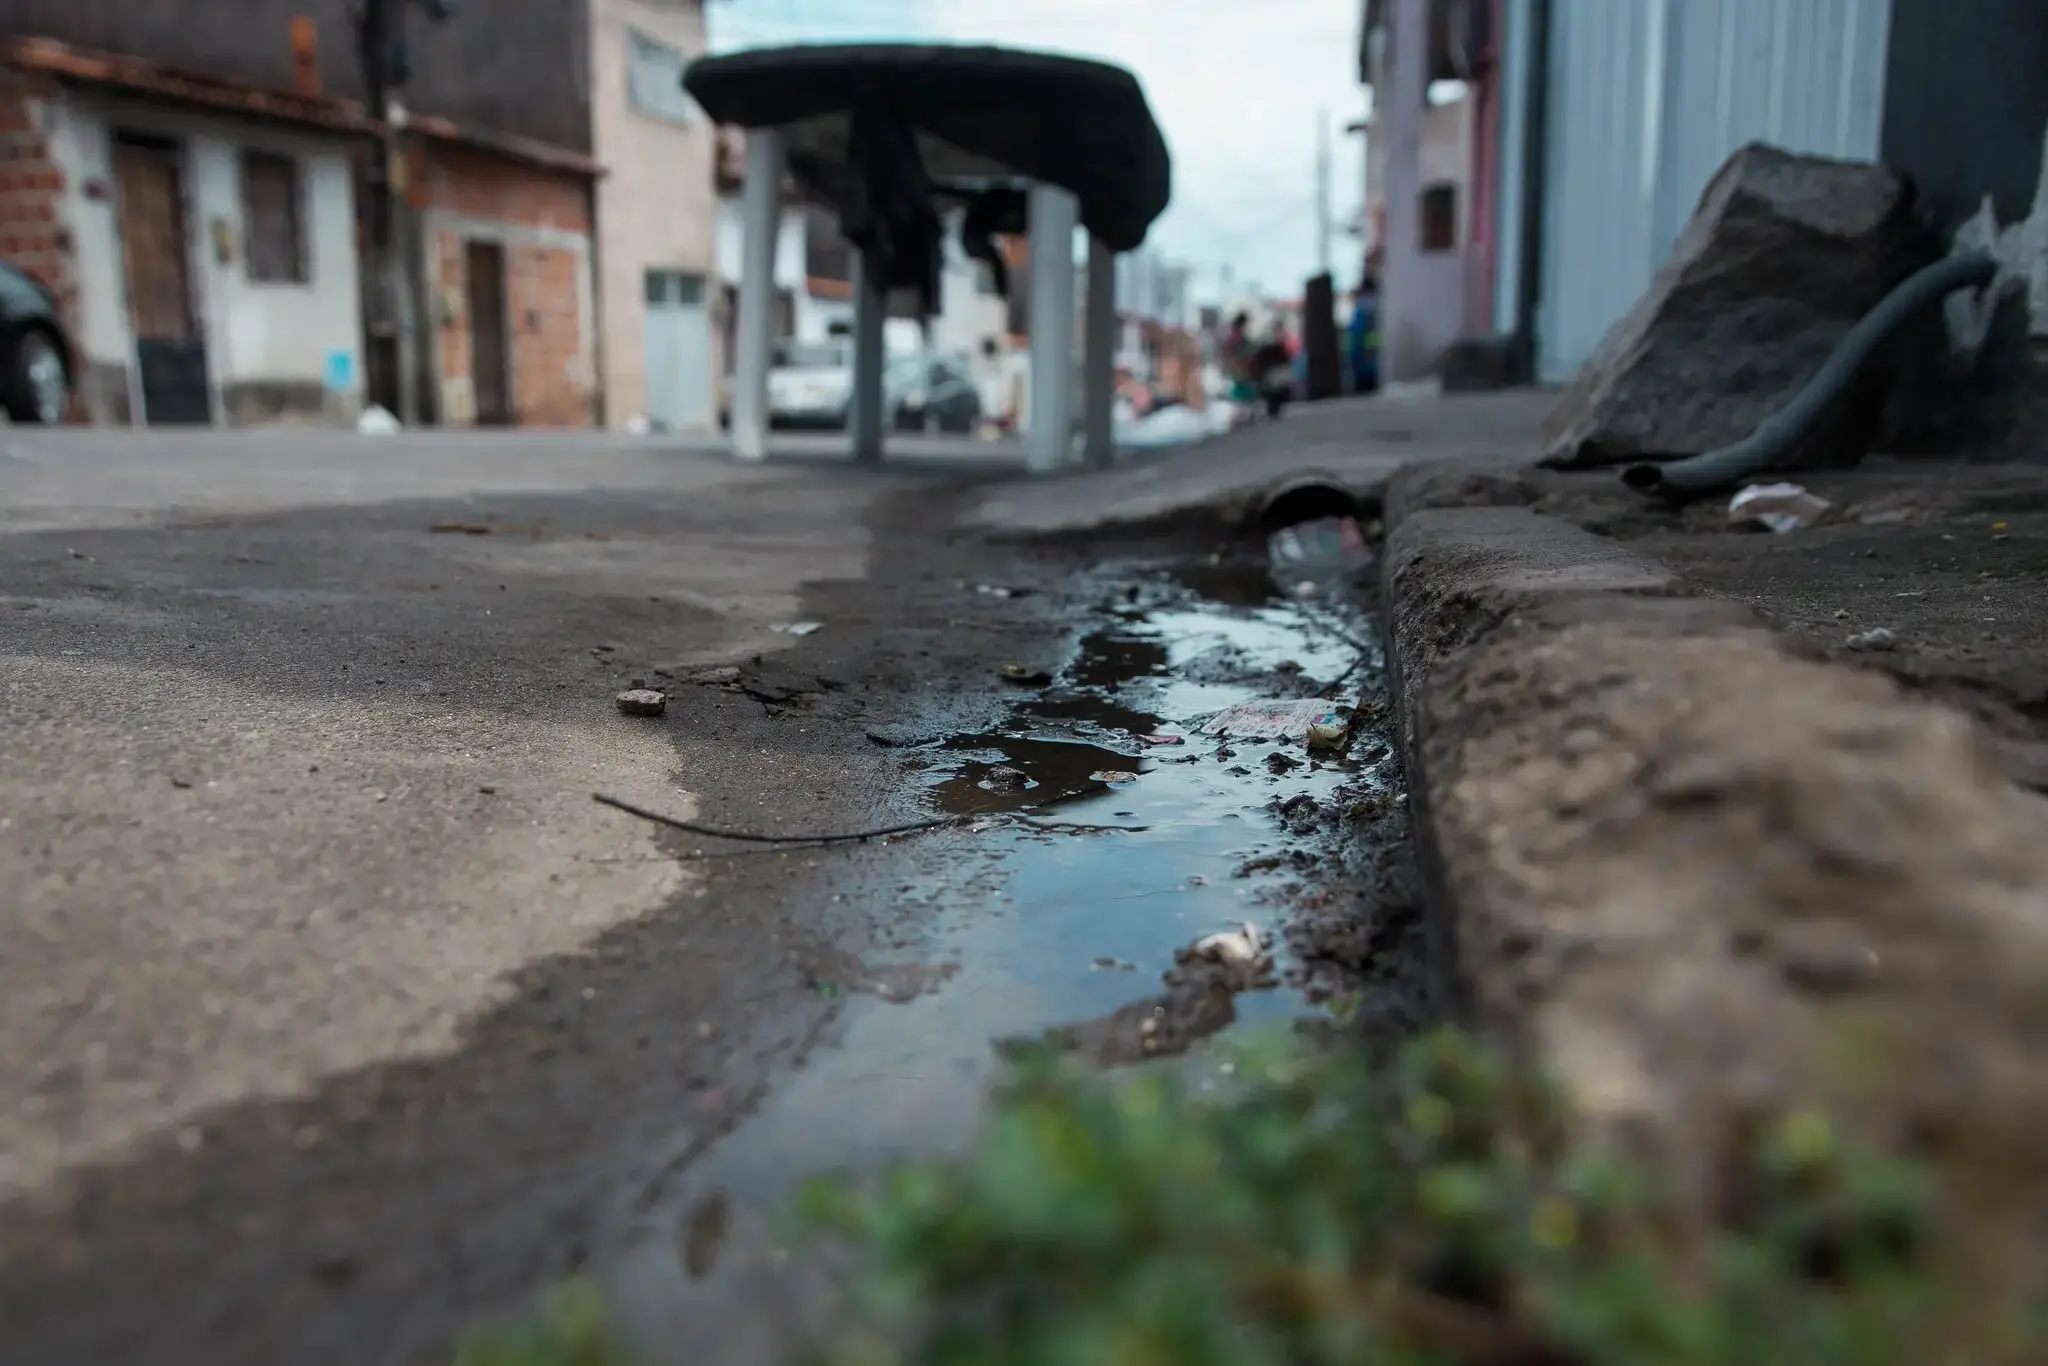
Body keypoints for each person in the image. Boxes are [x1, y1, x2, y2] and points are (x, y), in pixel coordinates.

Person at [1348, 269, 1381, 394]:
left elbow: (1355, 339)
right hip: (1377, 366)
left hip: (1362, 367)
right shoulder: (1380, 309)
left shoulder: (1361, 311)